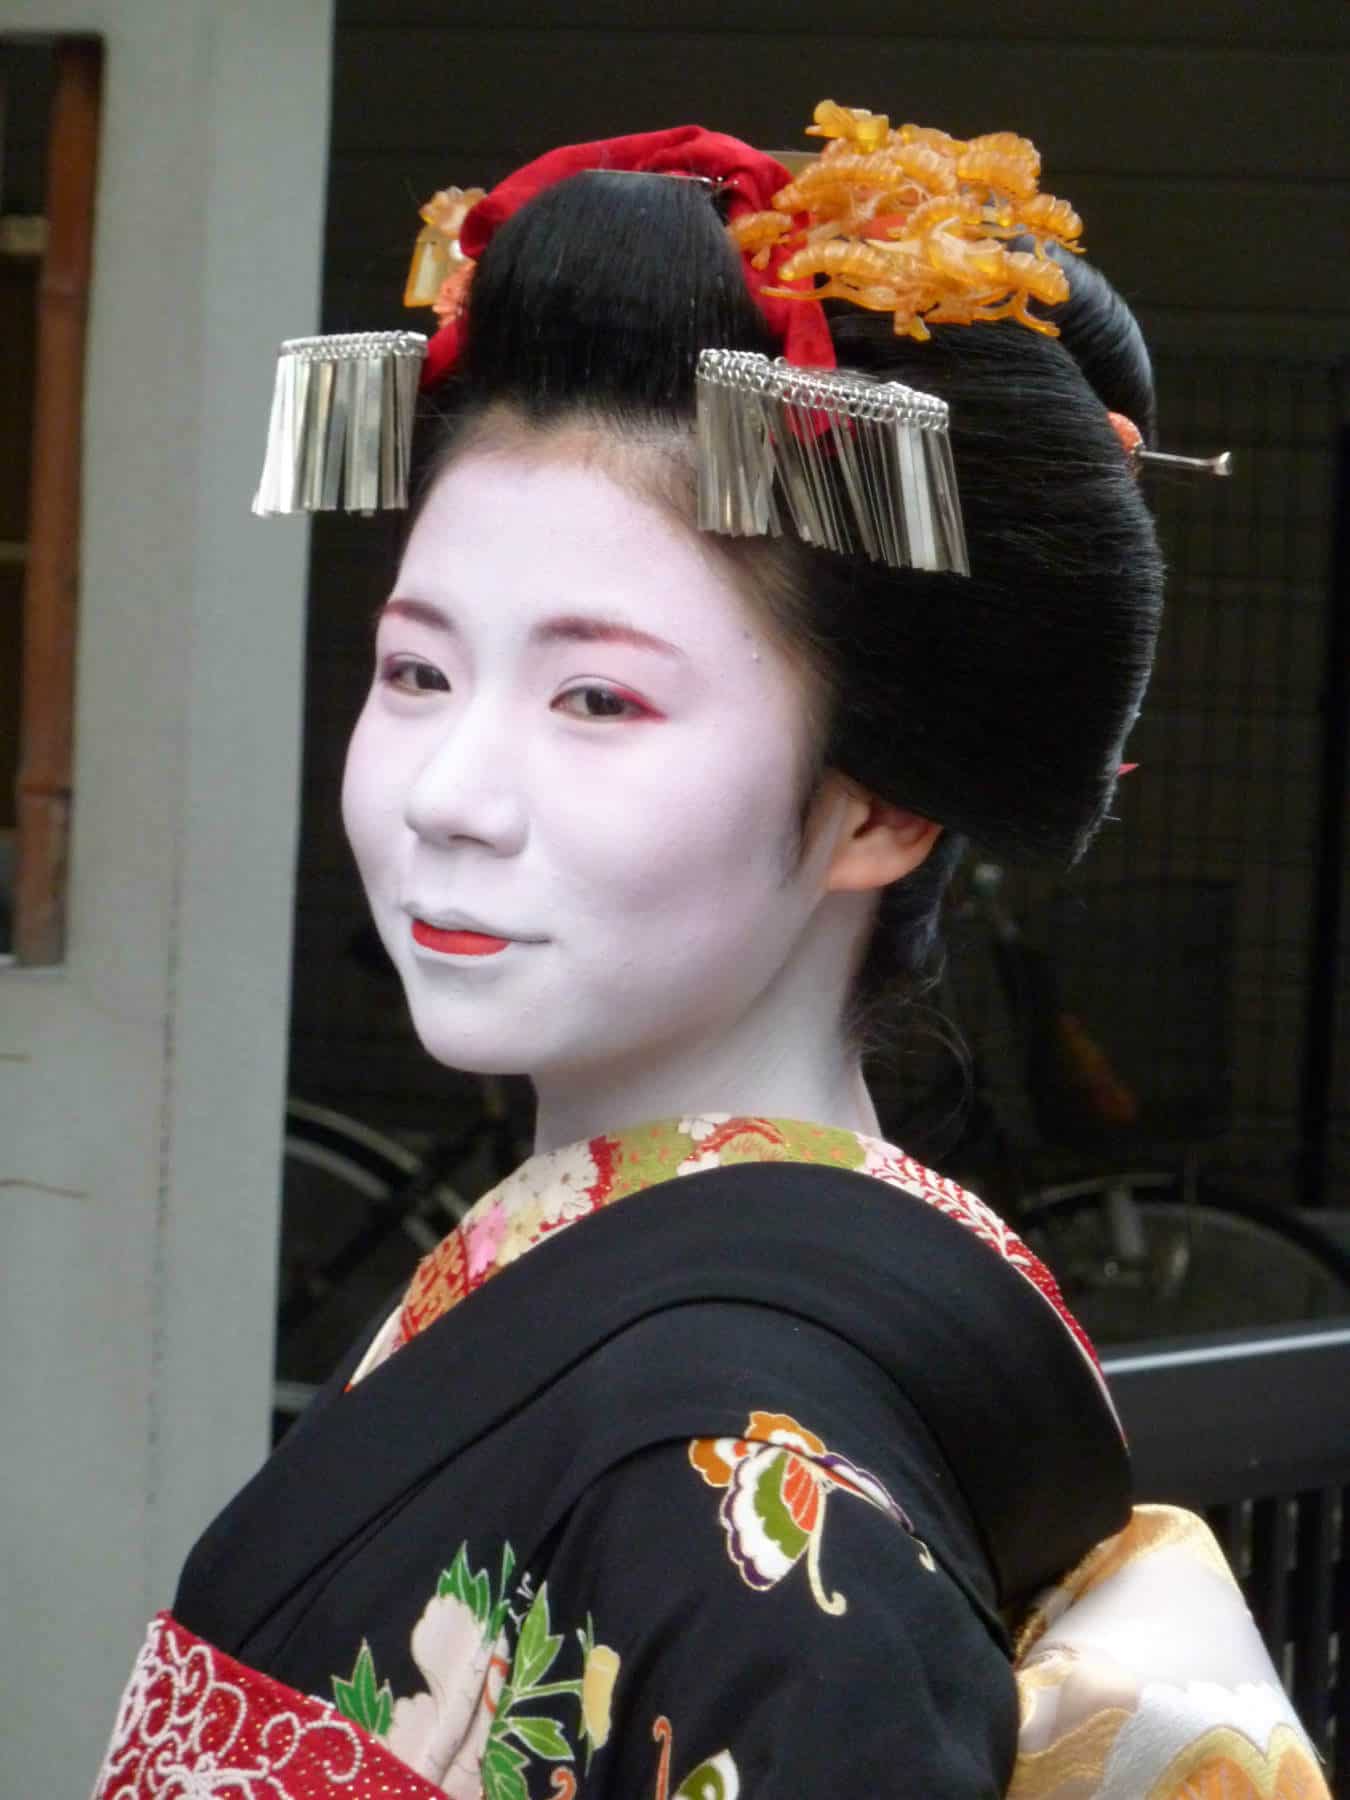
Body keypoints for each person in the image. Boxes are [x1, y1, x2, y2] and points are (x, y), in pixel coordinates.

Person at [95, 106, 1330, 1799]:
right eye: (416, 672)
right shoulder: (640, 1279)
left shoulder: (725, 1462)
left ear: (879, 803)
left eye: (597, 698)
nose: (448, 794)